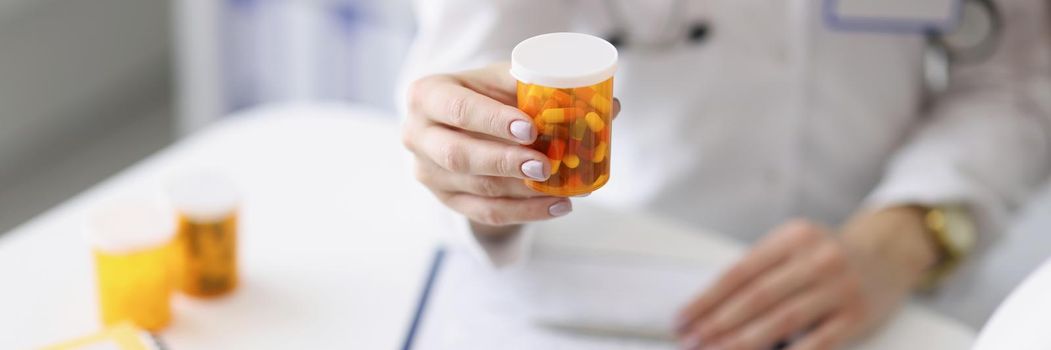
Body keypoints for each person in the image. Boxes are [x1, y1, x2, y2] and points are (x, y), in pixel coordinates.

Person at [398, 0, 1051, 349]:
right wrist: (470, 152)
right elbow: (472, 69)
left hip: (883, 274)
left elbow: (1016, 80)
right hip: (620, 258)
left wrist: (909, 231)